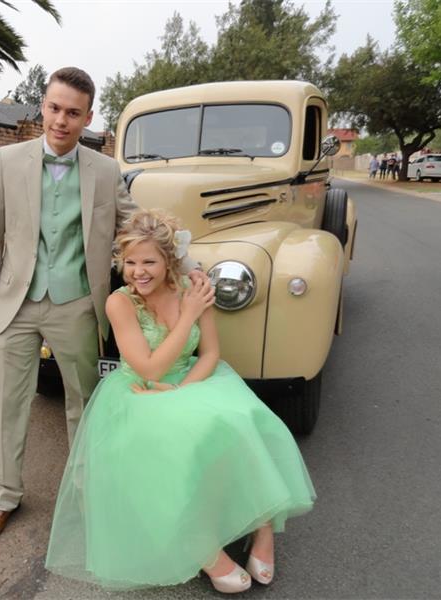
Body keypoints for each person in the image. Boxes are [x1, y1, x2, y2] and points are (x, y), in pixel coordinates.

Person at [0, 67, 204, 545]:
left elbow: (138, 226)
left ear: (88, 117)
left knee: (83, 403)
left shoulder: (104, 170)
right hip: (16, 304)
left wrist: (190, 264)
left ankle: (85, 490)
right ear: (43, 107)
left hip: (77, 304)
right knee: (7, 404)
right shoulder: (7, 160)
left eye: (73, 113)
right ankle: (4, 497)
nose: (61, 120)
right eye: (54, 108)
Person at [45, 209, 316, 594]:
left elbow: (210, 353)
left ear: (168, 260)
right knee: (173, 445)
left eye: (149, 262)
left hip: (191, 380)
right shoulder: (120, 303)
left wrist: (183, 389)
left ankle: (263, 529)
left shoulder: (192, 288)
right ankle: (204, 548)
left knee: (244, 421)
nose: (138, 272)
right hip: (141, 391)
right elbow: (149, 368)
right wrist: (188, 316)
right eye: (130, 262)